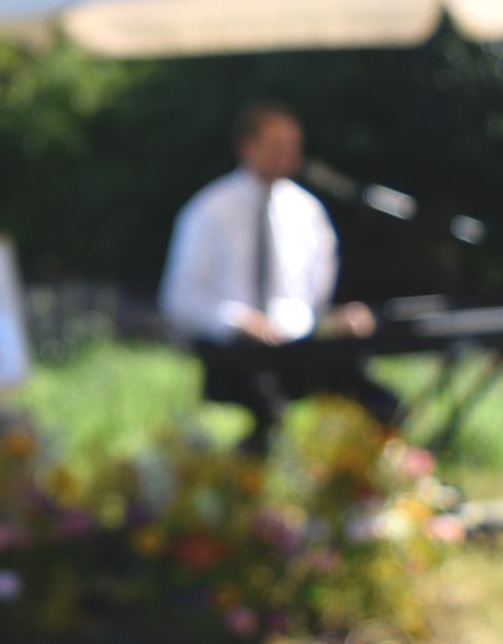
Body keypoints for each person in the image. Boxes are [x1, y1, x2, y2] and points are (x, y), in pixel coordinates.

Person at [159, 100, 401, 440]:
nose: (287, 155)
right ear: (247, 147)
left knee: (382, 402)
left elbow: (315, 301)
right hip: (236, 355)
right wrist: (238, 320)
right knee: (267, 414)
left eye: (292, 146)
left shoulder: (307, 211)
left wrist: (336, 319)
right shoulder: (208, 211)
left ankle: (362, 481)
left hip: (297, 348)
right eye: (276, 145)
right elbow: (179, 299)